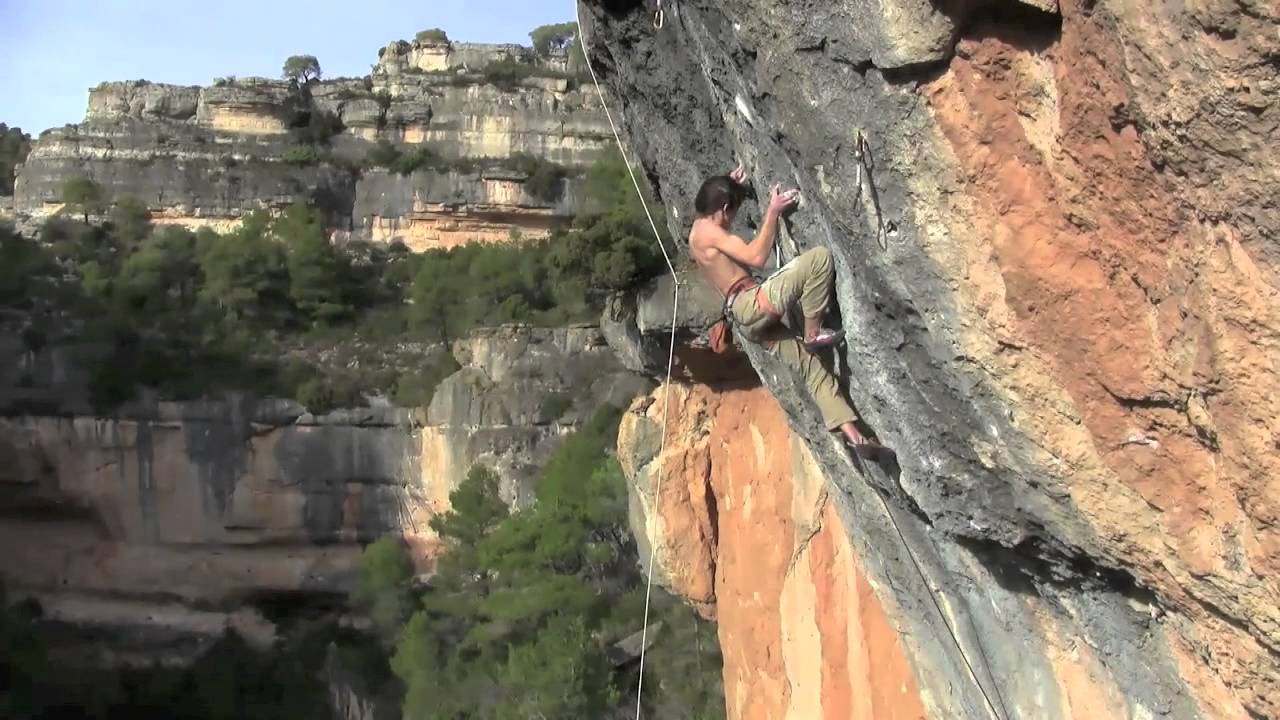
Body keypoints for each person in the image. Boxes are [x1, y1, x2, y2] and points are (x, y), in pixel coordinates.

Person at [688, 164, 880, 453]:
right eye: (733, 211)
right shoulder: (712, 234)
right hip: (752, 304)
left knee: (812, 367)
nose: (732, 219)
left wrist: (729, 182)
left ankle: (856, 438)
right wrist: (773, 211)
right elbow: (756, 256)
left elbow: (715, 198)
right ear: (724, 208)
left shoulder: (696, 231)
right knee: (819, 259)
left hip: (746, 321)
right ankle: (813, 332)